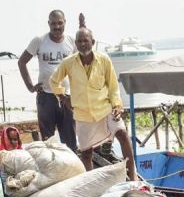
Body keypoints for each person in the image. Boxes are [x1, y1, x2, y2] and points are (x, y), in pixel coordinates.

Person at [49, 27, 137, 180]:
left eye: (86, 40)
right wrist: (64, 98)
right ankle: (90, 183)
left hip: (105, 108)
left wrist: (117, 105)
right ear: (76, 43)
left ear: (93, 42)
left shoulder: (104, 60)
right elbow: (53, 81)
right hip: (83, 114)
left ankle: (133, 175)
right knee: (86, 152)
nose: (83, 44)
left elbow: (113, 86)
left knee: (122, 133)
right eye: (80, 41)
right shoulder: (68, 63)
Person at [18, 10, 77, 149]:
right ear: (48, 24)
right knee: (48, 141)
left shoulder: (71, 41)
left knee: (70, 140)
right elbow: (21, 62)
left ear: (65, 22)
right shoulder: (39, 40)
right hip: (46, 96)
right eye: (53, 23)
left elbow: (78, 66)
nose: (57, 27)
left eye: (60, 23)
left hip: (67, 96)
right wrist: (30, 86)